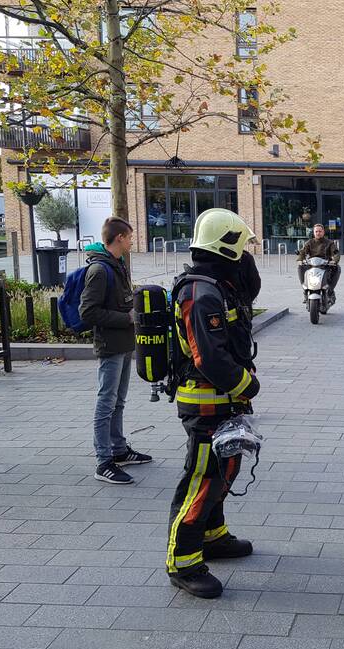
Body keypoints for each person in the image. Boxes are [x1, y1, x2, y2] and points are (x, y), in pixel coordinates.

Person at [166, 208, 259, 599]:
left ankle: (212, 535)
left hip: (222, 399)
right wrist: (246, 386)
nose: (245, 254)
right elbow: (210, 357)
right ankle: (183, 561)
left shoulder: (217, 284)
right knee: (203, 477)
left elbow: (249, 290)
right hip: (205, 400)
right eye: (242, 246)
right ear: (226, 247)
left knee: (224, 468)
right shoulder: (201, 293)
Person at [80, 217, 152, 485]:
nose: (132, 241)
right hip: (110, 345)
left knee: (118, 402)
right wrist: (127, 319)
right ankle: (103, 461)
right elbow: (87, 312)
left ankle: (118, 449)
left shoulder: (117, 264)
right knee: (106, 403)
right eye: (130, 236)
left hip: (123, 344)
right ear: (119, 237)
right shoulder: (100, 270)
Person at [296, 224, 340, 303]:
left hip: (325, 265)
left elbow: (336, 253)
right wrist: (300, 259)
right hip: (312, 264)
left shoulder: (329, 243)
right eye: (316, 231)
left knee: (337, 268)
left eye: (320, 231)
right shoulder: (309, 242)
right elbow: (303, 251)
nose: (318, 233)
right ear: (313, 232)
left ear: (323, 232)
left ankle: (330, 290)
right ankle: (305, 291)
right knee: (300, 267)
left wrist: (335, 260)